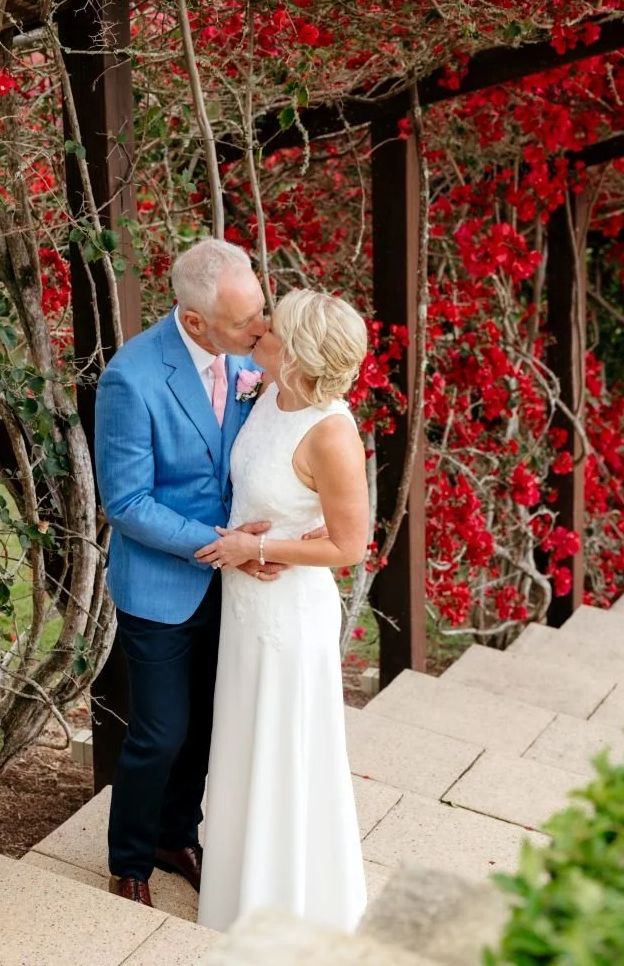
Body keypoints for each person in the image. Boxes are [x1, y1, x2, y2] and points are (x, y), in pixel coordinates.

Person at [92, 238, 284, 908]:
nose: (261, 328)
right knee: (161, 730)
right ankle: (132, 858)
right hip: (161, 586)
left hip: (232, 586)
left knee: (208, 723)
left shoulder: (245, 359)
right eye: (245, 322)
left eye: (260, 311)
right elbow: (127, 503)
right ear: (195, 321)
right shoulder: (131, 379)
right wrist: (221, 542)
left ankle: (180, 836)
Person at [193, 288, 371, 933]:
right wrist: (243, 542)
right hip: (245, 605)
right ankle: (239, 883)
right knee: (242, 739)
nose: (261, 326)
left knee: (284, 749)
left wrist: (259, 545)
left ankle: (288, 900)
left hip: (287, 618)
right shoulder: (267, 392)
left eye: (275, 324)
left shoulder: (331, 433)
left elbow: (350, 544)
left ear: (294, 351)